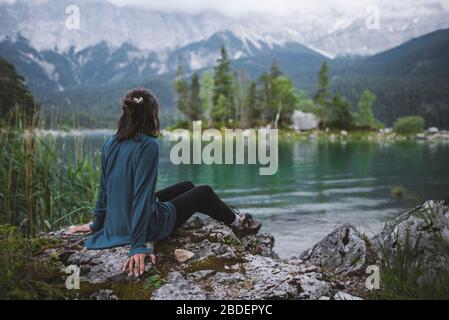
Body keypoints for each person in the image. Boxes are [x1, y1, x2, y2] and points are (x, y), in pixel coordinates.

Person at [68, 88, 262, 277]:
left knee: (186, 186)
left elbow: (104, 191)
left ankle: (229, 215)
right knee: (203, 192)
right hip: (147, 226)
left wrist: (97, 225)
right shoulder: (147, 145)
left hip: (115, 223)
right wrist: (138, 245)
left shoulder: (110, 143)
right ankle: (239, 223)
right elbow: (142, 197)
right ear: (152, 114)